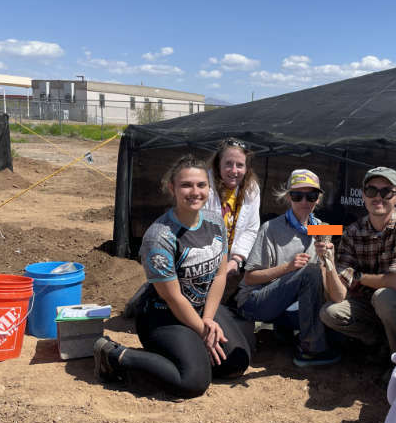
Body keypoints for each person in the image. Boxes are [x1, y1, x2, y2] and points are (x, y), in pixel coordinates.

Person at [94, 155, 253, 398]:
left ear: (210, 188)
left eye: (201, 185)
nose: (195, 191)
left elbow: (220, 274)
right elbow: (173, 297)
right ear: (172, 188)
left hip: (201, 308)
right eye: (186, 185)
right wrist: (203, 332)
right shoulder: (160, 236)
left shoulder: (213, 222)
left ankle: (190, 351)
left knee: (236, 364)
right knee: (193, 382)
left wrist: (208, 321)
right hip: (163, 315)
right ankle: (115, 355)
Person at [319, 166, 396, 358]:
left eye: (386, 192)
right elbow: (338, 296)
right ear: (363, 196)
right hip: (374, 305)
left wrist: (357, 276)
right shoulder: (353, 232)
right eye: (371, 190)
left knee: (384, 296)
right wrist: (328, 263)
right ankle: (382, 345)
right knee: (330, 312)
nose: (378, 197)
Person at [236, 168, 340, 367]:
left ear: (318, 199)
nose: (304, 202)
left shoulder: (322, 228)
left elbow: (330, 265)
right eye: (297, 195)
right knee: (309, 272)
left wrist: (328, 258)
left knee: (332, 307)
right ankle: (310, 351)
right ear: (288, 197)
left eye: (311, 196)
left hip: (288, 303)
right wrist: (288, 267)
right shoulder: (271, 228)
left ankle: (283, 331)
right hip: (255, 302)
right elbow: (249, 278)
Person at [205, 138, 261, 300]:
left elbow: (251, 228)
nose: (234, 170)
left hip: (230, 263)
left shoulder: (321, 225)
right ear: (218, 164)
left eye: (240, 165)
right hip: (204, 259)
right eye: (228, 163)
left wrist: (236, 259)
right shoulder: (204, 186)